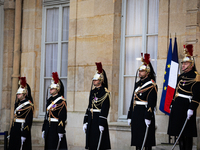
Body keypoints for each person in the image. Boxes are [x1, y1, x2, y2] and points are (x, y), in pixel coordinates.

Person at [167, 44, 200, 150]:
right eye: (183, 63)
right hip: (177, 108)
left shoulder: (196, 76)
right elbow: (175, 91)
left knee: (187, 134)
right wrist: (172, 104)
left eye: (186, 63)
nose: (183, 65)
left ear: (191, 64)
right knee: (179, 134)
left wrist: (192, 108)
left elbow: (197, 95)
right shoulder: (180, 76)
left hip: (187, 108)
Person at [127, 53, 157, 150]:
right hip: (136, 114)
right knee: (137, 141)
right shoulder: (137, 84)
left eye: (142, 71)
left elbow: (152, 102)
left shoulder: (152, 84)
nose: (140, 72)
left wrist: (148, 116)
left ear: (147, 72)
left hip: (145, 114)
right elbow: (133, 100)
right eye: (139, 70)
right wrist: (129, 115)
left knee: (147, 141)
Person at [83, 62, 111, 150]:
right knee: (91, 143)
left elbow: (105, 108)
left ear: (101, 80)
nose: (94, 81)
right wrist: (85, 121)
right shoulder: (93, 92)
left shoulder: (105, 92)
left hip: (99, 119)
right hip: (91, 119)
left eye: (96, 80)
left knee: (100, 143)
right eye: (93, 80)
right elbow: (89, 106)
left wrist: (102, 122)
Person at [42, 72, 68, 150]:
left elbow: (62, 117)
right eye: (50, 88)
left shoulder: (61, 101)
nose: (50, 90)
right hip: (48, 127)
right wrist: (44, 128)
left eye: (52, 88)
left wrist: (60, 130)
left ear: (57, 89)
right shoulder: (49, 100)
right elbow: (46, 116)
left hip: (56, 127)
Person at [8, 77, 34, 150]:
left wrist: (24, 134)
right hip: (15, 129)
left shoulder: (29, 105)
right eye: (17, 94)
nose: (17, 95)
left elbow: (28, 121)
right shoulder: (17, 104)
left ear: (25, 94)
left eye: (19, 94)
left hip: (22, 129)